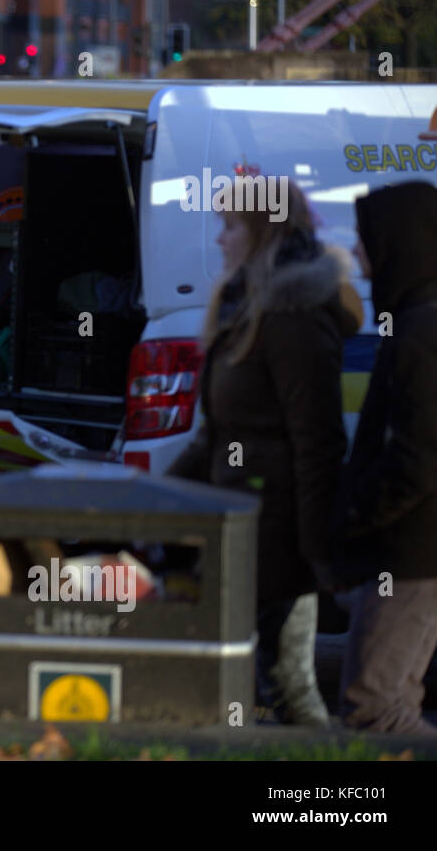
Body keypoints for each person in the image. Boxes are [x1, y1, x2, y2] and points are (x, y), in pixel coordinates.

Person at [166, 182, 362, 725]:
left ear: (264, 231)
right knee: (276, 684)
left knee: (276, 684)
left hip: (275, 534)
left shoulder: (293, 314)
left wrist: (316, 551)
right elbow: (218, 430)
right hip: (243, 523)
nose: (220, 238)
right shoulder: (248, 303)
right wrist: (162, 498)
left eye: (230, 225)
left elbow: (317, 439)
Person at [337, 180, 437, 735]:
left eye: (365, 240)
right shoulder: (418, 321)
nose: (356, 254)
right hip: (411, 547)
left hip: (412, 550)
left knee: (376, 711)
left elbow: (418, 457)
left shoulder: (421, 331)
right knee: (390, 702)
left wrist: (357, 516)